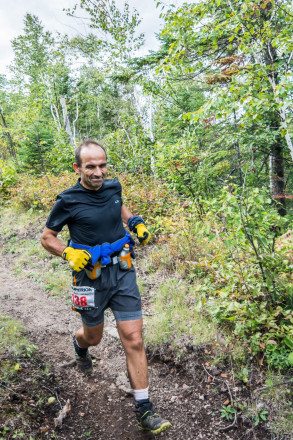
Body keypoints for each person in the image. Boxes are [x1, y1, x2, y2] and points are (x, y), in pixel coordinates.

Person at [40, 139, 171, 435]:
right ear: (78, 168)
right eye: (91, 166)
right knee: (94, 337)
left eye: (102, 165)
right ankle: (80, 344)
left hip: (123, 271)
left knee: (134, 339)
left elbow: (118, 205)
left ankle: (144, 409)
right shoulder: (68, 200)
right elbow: (47, 237)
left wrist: (134, 221)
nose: (98, 172)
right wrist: (67, 252)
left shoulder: (113, 186)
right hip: (89, 278)